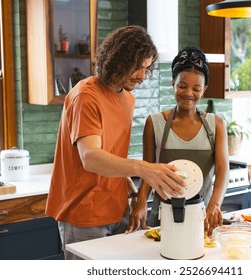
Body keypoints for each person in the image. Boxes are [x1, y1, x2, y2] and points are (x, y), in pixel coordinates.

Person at [45, 25, 185, 260]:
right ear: (118, 58)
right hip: (83, 216)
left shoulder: (127, 99)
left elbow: (111, 153)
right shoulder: (86, 96)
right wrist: (144, 168)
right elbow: (90, 157)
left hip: (116, 210)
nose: (142, 75)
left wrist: (130, 189)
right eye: (138, 66)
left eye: (146, 68)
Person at [127, 46, 229, 236]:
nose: (188, 93)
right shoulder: (154, 122)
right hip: (161, 218)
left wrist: (214, 205)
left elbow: (223, 170)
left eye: (196, 88)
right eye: (182, 86)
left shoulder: (216, 125)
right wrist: (141, 202)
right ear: (173, 83)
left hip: (202, 219)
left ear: (204, 90)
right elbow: (147, 170)